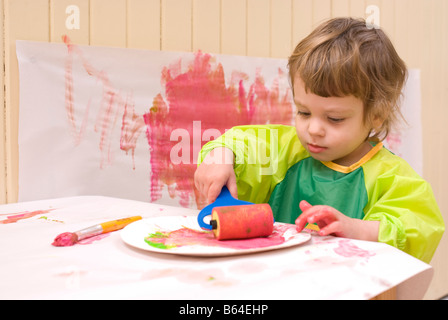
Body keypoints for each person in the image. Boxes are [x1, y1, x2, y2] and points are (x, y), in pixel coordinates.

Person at [194, 17, 444, 263]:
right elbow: (240, 143)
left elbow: (415, 230)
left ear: (377, 115)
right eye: (303, 112)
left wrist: (355, 229)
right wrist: (221, 154)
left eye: (334, 118)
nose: (313, 129)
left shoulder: (393, 179)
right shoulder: (285, 149)